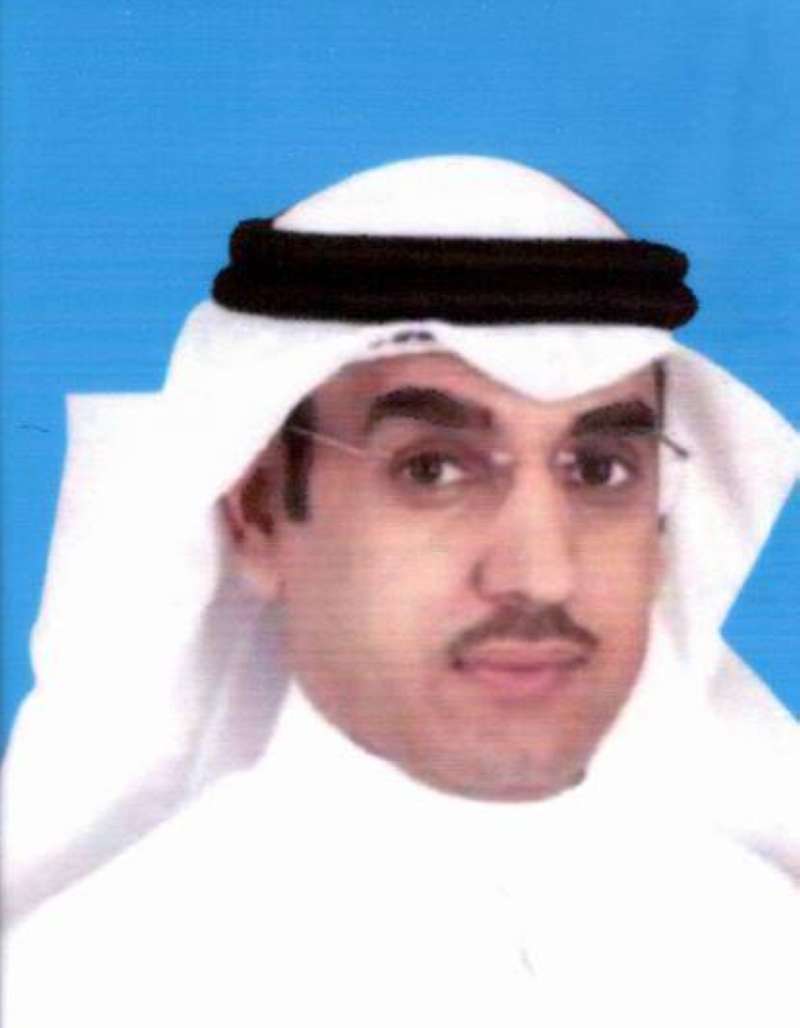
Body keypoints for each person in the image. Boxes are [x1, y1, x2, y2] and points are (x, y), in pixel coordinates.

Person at [3, 156, 799, 1026]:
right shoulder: (86, 985)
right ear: (260, 511)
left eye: (601, 469)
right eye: (433, 470)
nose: (540, 573)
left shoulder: (767, 952)